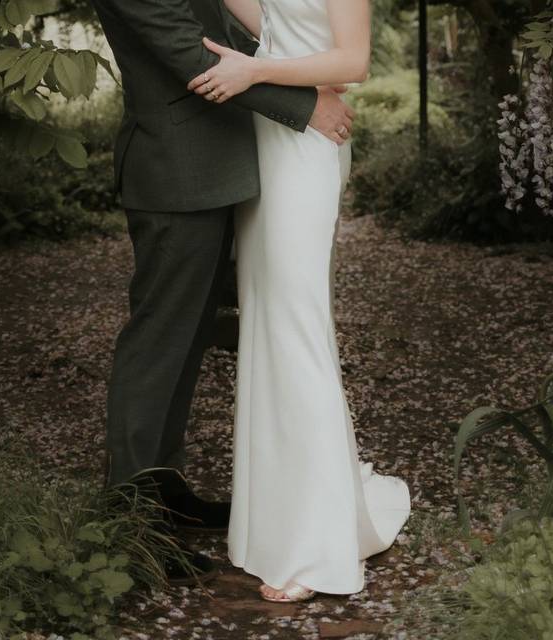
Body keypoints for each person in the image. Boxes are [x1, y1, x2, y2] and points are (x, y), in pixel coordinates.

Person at [91, 0, 356, 586]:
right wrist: (305, 104)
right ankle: (129, 527)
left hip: (215, 166)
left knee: (187, 346)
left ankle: (165, 493)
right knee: (158, 347)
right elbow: (190, 54)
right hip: (175, 173)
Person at [186, 0, 413, 603]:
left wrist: (255, 73)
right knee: (268, 323)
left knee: (295, 328)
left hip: (306, 148)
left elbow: (354, 59)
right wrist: (274, 66)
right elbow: (279, 23)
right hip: (269, 135)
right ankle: (278, 528)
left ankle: (315, 547)